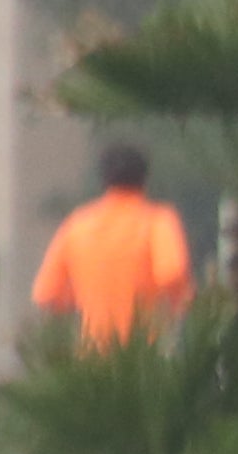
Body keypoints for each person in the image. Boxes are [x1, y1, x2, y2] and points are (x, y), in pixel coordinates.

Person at [28, 140, 194, 347]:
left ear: (103, 179)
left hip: (93, 353)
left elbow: (46, 293)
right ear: (145, 177)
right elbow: (171, 273)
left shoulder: (77, 224)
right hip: (147, 353)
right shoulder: (158, 221)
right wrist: (182, 306)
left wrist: (85, 298)